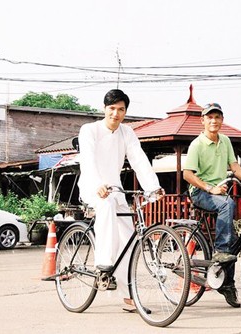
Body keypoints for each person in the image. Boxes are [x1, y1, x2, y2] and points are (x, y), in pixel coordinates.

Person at [77, 89, 162, 310]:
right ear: (104, 109)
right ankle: (103, 265)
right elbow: (87, 160)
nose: (116, 113)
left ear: (125, 112)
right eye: (112, 108)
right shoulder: (89, 130)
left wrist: (153, 187)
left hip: (115, 190)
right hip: (91, 186)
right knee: (105, 206)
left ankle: (128, 294)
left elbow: (139, 159)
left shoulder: (127, 133)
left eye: (121, 109)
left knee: (129, 241)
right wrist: (97, 184)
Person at [183, 102, 241, 308]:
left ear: (222, 120)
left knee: (233, 238)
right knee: (227, 205)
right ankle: (220, 251)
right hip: (200, 192)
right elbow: (187, 174)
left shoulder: (225, 141)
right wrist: (208, 187)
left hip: (219, 192)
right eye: (209, 117)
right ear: (203, 120)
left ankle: (227, 285)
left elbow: (234, 166)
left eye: (217, 117)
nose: (214, 121)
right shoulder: (197, 144)